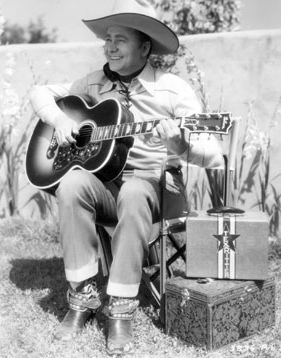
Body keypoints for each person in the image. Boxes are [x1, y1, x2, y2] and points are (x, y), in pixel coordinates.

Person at [29, 0, 224, 355]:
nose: (110, 46)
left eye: (120, 39)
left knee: (135, 190)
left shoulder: (172, 89)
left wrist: (179, 144)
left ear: (145, 47)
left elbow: (214, 154)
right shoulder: (91, 83)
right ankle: (82, 298)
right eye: (108, 39)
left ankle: (120, 308)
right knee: (72, 184)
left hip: (157, 186)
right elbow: (39, 94)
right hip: (106, 186)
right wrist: (61, 122)